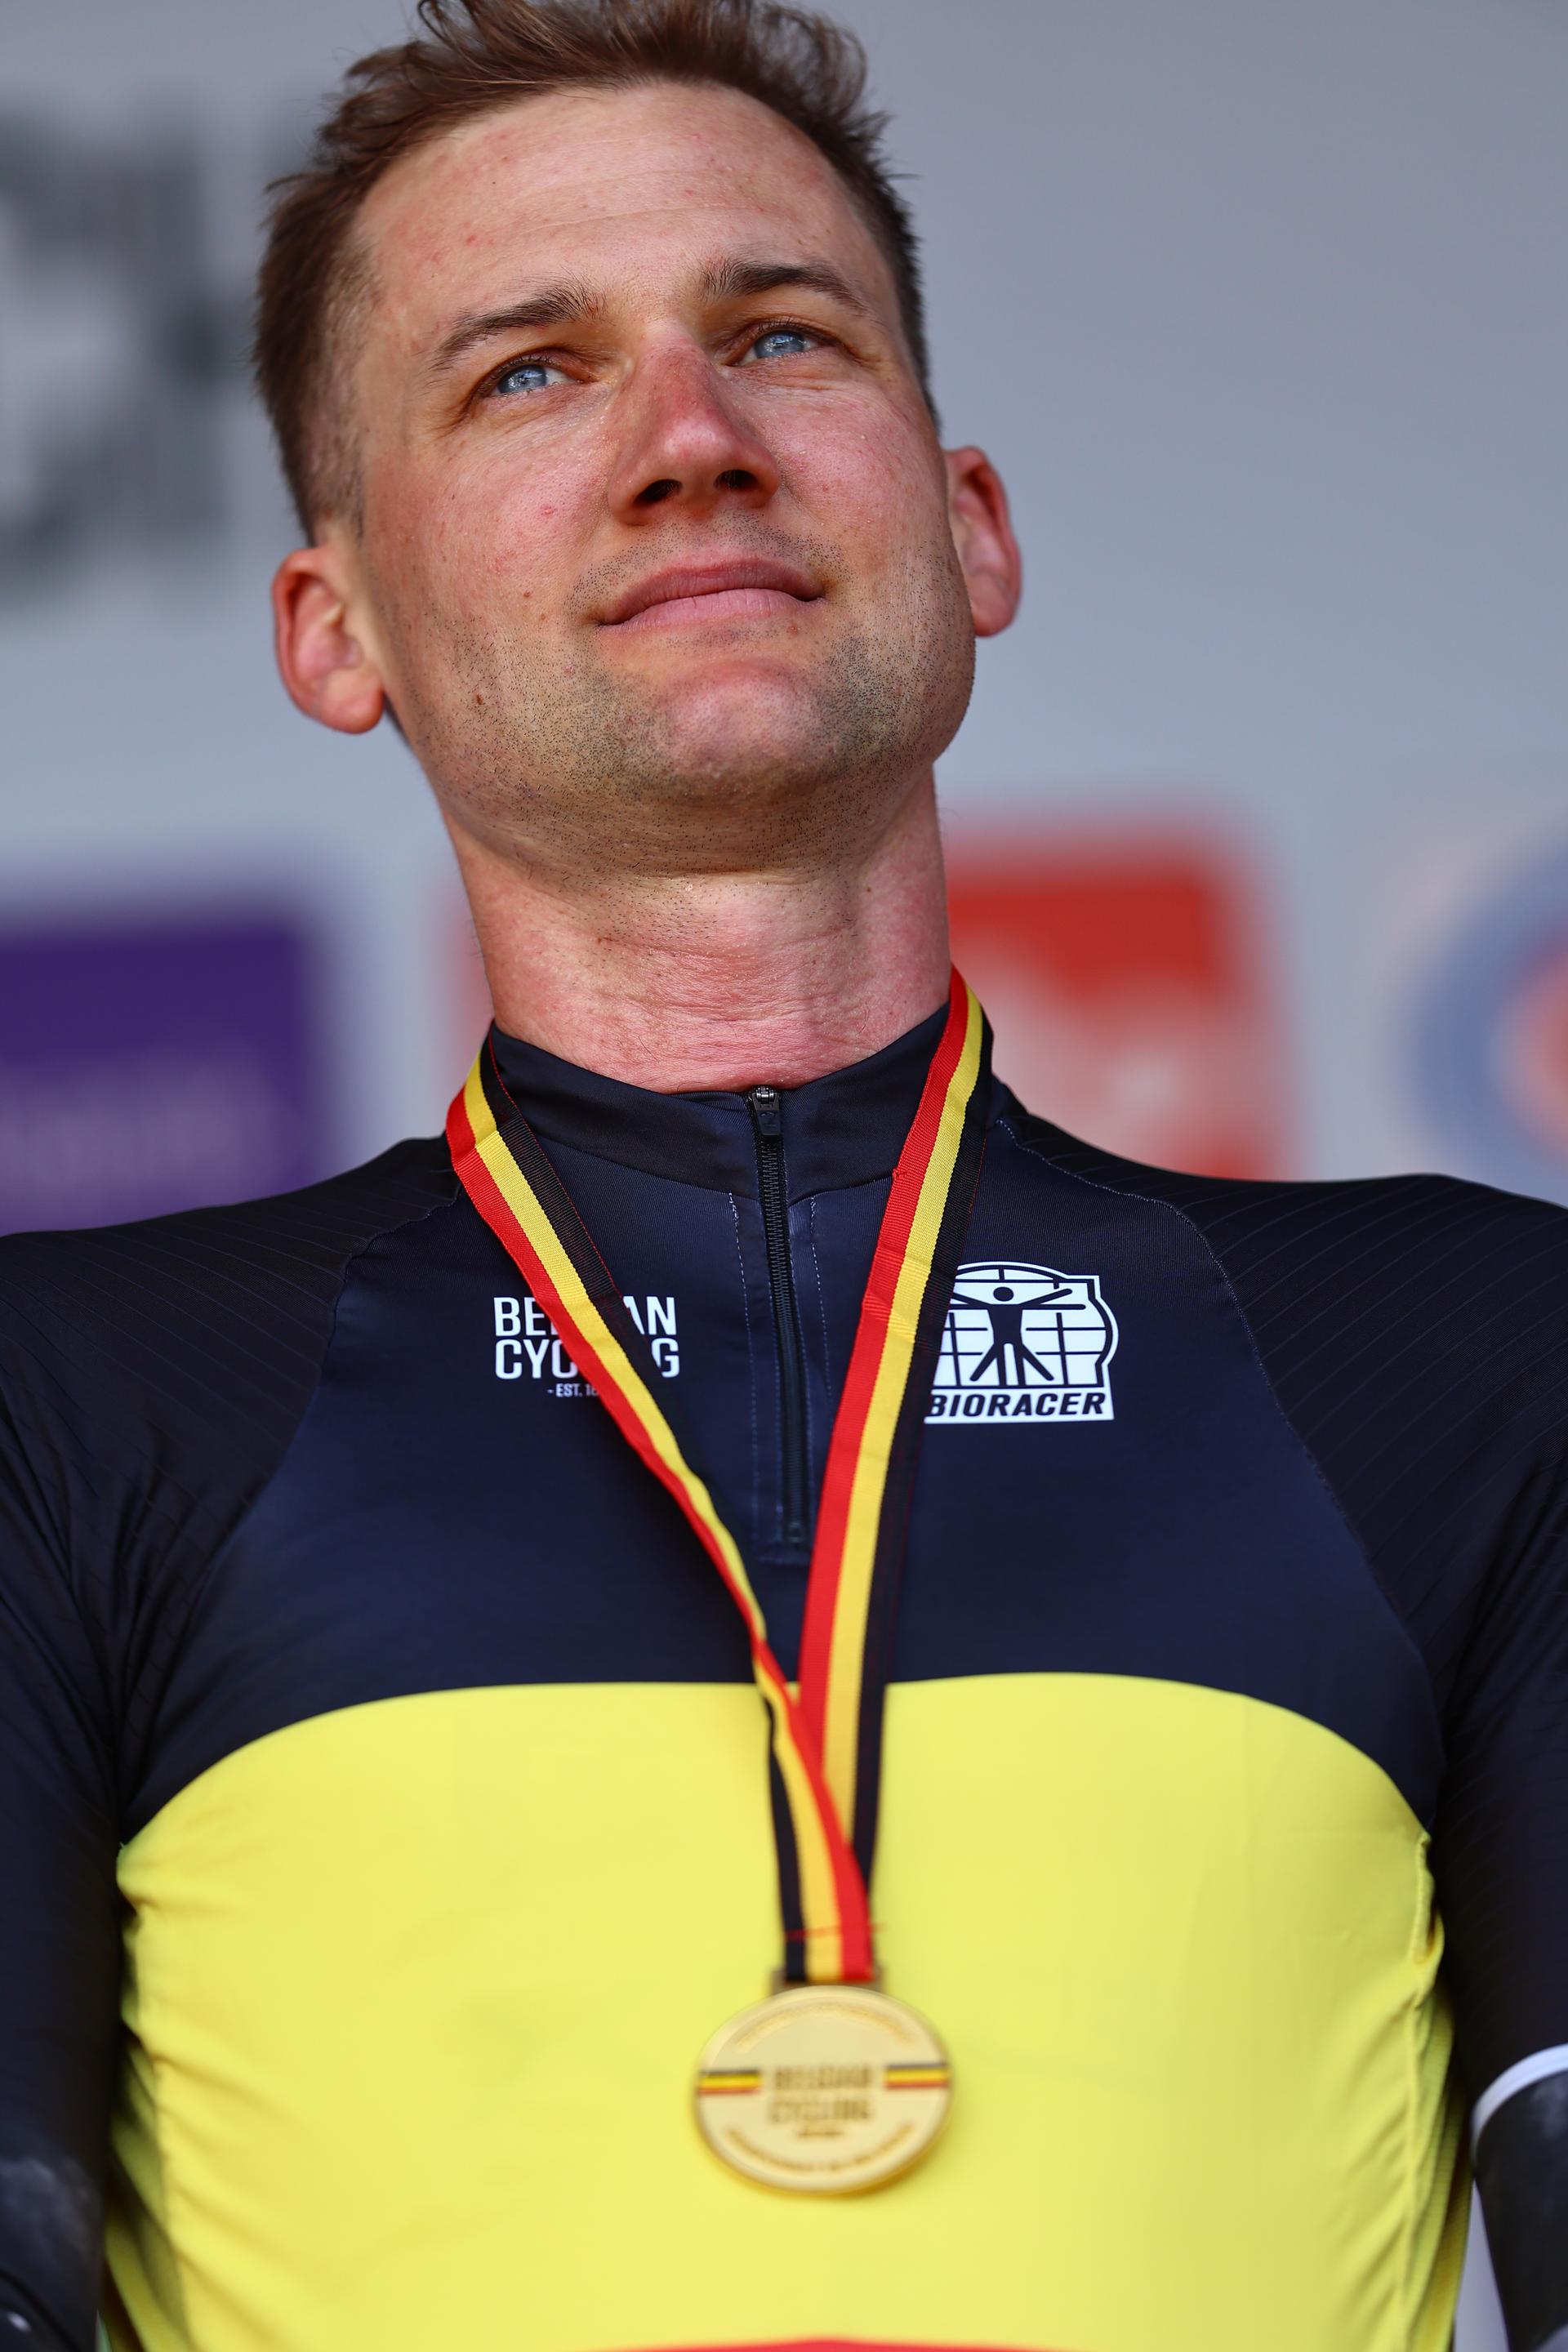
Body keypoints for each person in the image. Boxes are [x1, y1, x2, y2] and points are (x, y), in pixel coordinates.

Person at [1, 2, 1565, 2345]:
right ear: (339, 631)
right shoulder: (69, 1400)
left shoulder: (1473, 1353)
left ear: (970, 525)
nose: (690, 442)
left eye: (781, 333)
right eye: (528, 372)